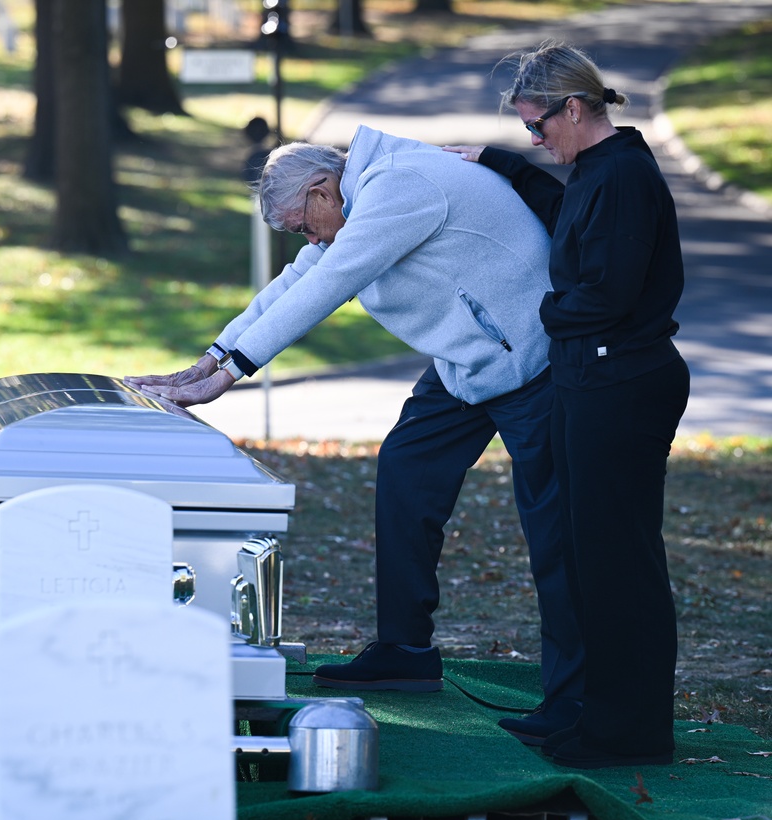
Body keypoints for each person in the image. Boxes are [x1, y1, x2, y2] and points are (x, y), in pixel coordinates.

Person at [126, 124, 585, 739]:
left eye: (301, 225)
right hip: (468, 361)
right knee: (405, 476)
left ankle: (575, 698)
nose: (306, 238)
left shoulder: (401, 188)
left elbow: (329, 282)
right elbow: (297, 279)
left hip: (530, 359)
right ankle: (406, 651)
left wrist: (229, 377)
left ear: (322, 191)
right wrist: (207, 360)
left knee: (553, 530)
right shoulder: (358, 195)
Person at [445, 41, 690, 769]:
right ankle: (590, 711)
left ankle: (627, 730)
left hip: (621, 383)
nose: (534, 136)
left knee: (619, 562)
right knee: (589, 555)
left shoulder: (622, 176)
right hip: (593, 382)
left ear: (575, 107)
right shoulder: (596, 170)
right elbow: (569, 212)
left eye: (537, 124)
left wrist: (536, 317)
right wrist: (502, 164)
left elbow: (605, 294)